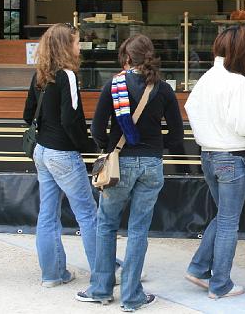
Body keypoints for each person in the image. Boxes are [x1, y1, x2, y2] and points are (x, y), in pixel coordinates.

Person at [78, 34, 184, 311]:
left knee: (107, 224)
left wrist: (108, 146)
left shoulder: (114, 86)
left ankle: (101, 288)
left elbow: (98, 130)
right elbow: (176, 134)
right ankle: (132, 296)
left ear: (126, 58)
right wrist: (161, 147)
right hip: (151, 164)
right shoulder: (162, 88)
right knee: (139, 230)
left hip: (120, 163)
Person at [184, 26, 245, 299]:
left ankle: (199, 267)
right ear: (244, 51)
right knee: (229, 221)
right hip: (231, 157)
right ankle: (220, 284)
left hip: (207, 154)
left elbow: (190, 107)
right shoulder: (238, 82)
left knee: (223, 216)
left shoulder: (207, 77)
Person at [23, 22, 97, 288]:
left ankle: (52, 274)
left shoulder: (40, 75)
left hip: (41, 151)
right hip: (63, 153)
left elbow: (26, 114)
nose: (80, 47)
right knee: (88, 214)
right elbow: (71, 120)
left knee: (47, 215)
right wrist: (88, 147)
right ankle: (104, 273)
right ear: (66, 46)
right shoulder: (67, 76)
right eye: (77, 42)